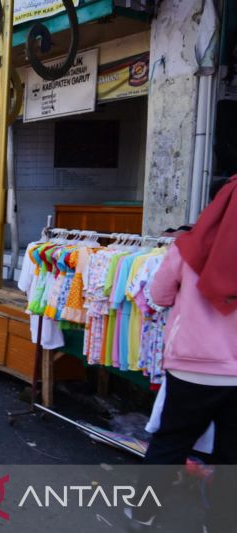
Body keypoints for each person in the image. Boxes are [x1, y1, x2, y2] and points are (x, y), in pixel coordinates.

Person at [129, 175, 237, 531]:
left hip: (191, 367)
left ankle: (143, 514)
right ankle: (220, 524)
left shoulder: (186, 247)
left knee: (171, 442)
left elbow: (158, 296)